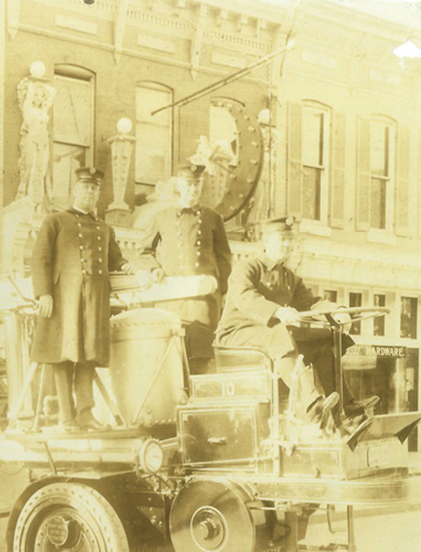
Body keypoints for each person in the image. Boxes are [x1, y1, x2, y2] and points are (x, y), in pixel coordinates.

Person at [216, 217, 376, 430]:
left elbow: (311, 302)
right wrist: (278, 311)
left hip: (268, 335)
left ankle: (345, 410)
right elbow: (245, 297)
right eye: (282, 239)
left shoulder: (290, 277)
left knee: (324, 339)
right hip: (235, 336)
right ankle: (311, 406)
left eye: (290, 240)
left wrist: (338, 311)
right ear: (266, 241)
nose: (287, 245)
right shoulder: (247, 267)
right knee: (280, 332)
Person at [30, 166, 149, 432]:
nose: (90, 192)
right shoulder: (56, 221)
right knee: (63, 357)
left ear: (98, 195)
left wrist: (129, 266)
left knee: (87, 357)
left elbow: (116, 259)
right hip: (64, 301)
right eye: (85, 187)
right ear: (75, 190)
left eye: (94, 189)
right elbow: (40, 259)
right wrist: (43, 293)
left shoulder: (104, 228)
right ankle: (66, 418)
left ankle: (85, 415)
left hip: (93, 302)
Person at [142, 163, 232, 372]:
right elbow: (144, 250)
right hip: (171, 299)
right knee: (170, 355)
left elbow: (224, 260)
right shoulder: (161, 216)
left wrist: (224, 293)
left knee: (200, 357)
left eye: (197, 184)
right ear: (180, 185)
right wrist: (154, 268)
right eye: (189, 184)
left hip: (203, 301)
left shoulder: (213, 218)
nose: (193, 188)